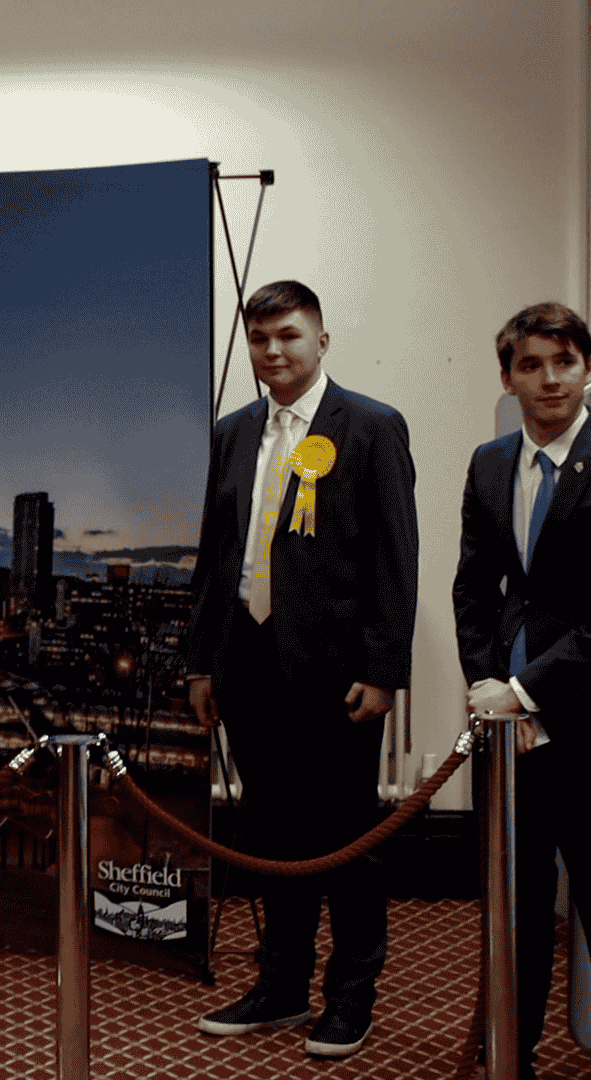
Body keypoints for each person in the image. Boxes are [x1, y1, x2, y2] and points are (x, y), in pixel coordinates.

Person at [185, 280, 419, 1059]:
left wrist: (385, 668)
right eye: (260, 340)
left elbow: (395, 558)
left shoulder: (373, 428)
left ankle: (351, 996)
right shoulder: (233, 431)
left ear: (321, 341)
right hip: (248, 667)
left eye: (288, 336)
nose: (273, 352)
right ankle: (280, 985)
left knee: (347, 839)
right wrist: (201, 661)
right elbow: (217, 559)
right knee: (271, 836)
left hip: (338, 676)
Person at [453, 302, 591, 1080]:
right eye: (533, 365)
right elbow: (473, 587)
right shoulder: (488, 462)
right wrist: (484, 682)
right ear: (508, 377)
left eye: (566, 362)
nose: (551, 379)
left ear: (587, 368)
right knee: (512, 916)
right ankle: (510, 1060)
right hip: (505, 738)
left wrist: (524, 689)